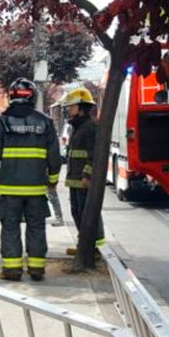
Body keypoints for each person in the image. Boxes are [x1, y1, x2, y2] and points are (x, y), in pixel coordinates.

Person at [0, 78, 62, 281]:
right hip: (36, 189)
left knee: (10, 228)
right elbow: (54, 156)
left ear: (11, 97)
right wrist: (52, 180)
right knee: (36, 227)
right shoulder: (45, 122)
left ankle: (12, 270)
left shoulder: (1, 122)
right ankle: (36, 269)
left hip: (9, 189)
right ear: (33, 97)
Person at [61, 88, 106, 255]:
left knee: (87, 213)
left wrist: (87, 175)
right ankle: (85, 245)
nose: (68, 110)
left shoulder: (91, 127)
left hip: (83, 179)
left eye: (71, 106)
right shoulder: (78, 127)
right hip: (75, 178)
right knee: (77, 211)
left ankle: (95, 247)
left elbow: (94, 155)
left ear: (81, 107)